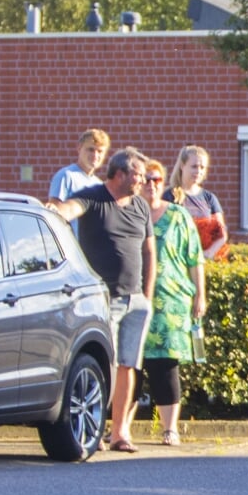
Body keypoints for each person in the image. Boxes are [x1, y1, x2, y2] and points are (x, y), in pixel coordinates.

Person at [45, 149, 156, 453]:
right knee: (103, 364)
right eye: (138, 174)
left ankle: (120, 433)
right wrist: (54, 211)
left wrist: (147, 294)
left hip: (135, 300)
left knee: (128, 366)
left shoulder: (141, 208)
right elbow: (70, 209)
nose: (143, 180)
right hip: (103, 299)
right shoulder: (93, 197)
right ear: (119, 173)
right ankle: (94, 428)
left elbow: (149, 251)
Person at [140, 161, 206, 446]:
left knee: (165, 366)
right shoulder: (129, 213)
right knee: (129, 365)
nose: (151, 184)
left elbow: (195, 257)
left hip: (170, 302)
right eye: (146, 179)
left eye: (156, 179)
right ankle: (121, 428)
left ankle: (170, 428)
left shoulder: (179, 215)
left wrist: (200, 294)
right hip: (136, 300)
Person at [165, 145, 229, 261]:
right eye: (194, 166)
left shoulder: (209, 198)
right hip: (179, 259)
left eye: (202, 167)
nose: (198, 171)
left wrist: (208, 253)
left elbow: (221, 234)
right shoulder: (169, 196)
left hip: (206, 261)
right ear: (182, 166)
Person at [49, 129, 111, 201]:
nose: (95, 155)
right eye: (91, 150)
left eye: (100, 151)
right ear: (79, 148)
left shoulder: (99, 185)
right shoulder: (66, 176)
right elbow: (55, 208)